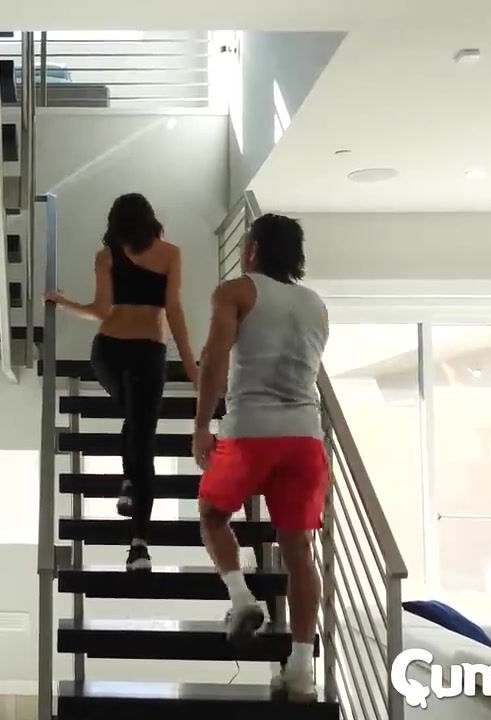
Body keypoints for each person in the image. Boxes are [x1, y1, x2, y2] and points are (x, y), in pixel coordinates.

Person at [191, 214, 328, 700]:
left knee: (212, 514)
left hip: (250, 432)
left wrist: (202, 425)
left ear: (251, 249)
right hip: (305, 438)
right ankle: (302, 668)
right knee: (298, 550)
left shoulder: (236, 292)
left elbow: (214, 359)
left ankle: (241, 596)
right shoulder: (316, 304)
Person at [47, 193, 198, 572]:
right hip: (147, 351)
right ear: (151, 219)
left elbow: (101, 311)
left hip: (108, 351)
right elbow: (174, 311)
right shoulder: (169, 254)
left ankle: (131, 485)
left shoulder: (107, 255)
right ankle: (139, 545)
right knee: (141, 432)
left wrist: (64, 302)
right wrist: (190, 363)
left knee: (137, 421)